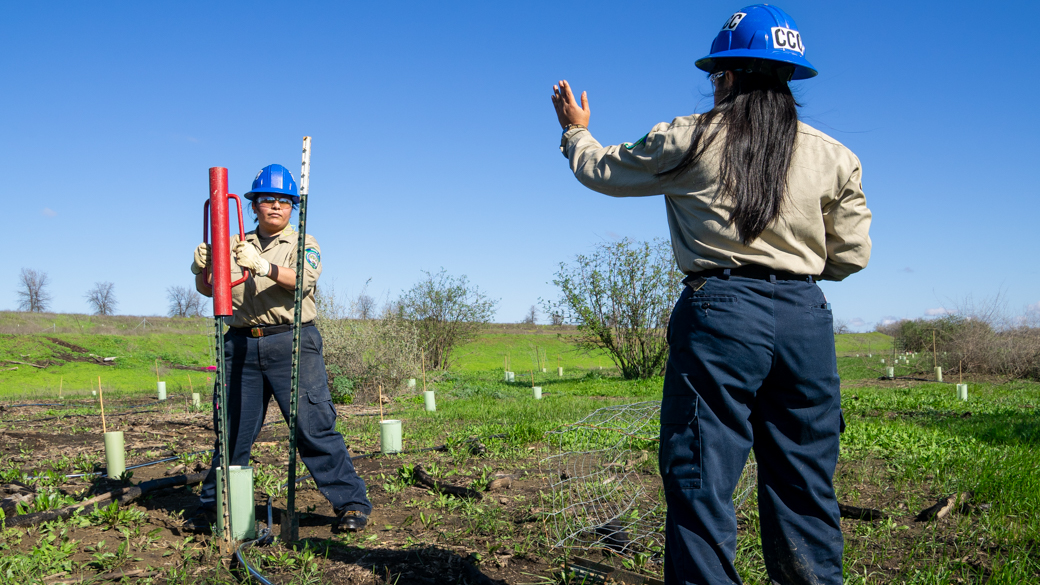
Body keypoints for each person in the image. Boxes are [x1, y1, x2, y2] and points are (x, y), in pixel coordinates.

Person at [551, 5, 870, 584]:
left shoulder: (690, 139)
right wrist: (790, 269)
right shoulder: (836, 157)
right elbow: (850, 255)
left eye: (717, 75)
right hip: (805, 319)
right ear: (789, 79)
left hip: (720, 314)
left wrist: (575, 130)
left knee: (702, 481)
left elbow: (601, 171)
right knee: (805, 486)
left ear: (726, 75)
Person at [188, 163, 371, 533]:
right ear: (253, 205)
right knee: (232, 430)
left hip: (293, 343)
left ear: (292, 207)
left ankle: (351, 503)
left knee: (313, 427)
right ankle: (216, 507)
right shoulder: (234, 241)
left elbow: (300, 281)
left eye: (284, 201)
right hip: (240, 344)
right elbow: (212, 291)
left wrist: (263, 266)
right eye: (267, 199)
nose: (275, 206)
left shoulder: (304, 242)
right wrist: (201, 270)